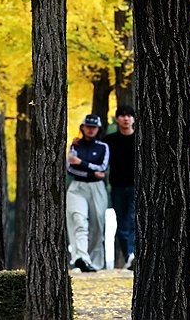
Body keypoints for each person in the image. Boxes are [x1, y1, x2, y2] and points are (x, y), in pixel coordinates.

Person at [66, 113, 109, 272]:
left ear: (98, 129)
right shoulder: (75, 145)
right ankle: (81, 258)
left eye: (94, 127)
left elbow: (102, 168)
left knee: (97, 224)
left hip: (96, 188)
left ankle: (94, 260)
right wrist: (90, 171)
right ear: (82, 128)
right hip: (78, 188)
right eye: (88, 127)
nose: (91, 130)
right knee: (78, 220)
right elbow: (71, 169)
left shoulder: (103, 147)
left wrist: (82, 163)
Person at [102, 104, 136, 270]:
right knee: (121, 223)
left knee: (131, 220)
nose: (126, 118)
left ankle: (131, 255)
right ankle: (129, 256)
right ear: (117, 119)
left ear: (133, 119)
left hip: (136, 187)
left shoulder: (140, 139)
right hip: (117, 187)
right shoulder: (110, 140)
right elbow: (100, 158)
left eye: (129, 115)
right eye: (122, 115)